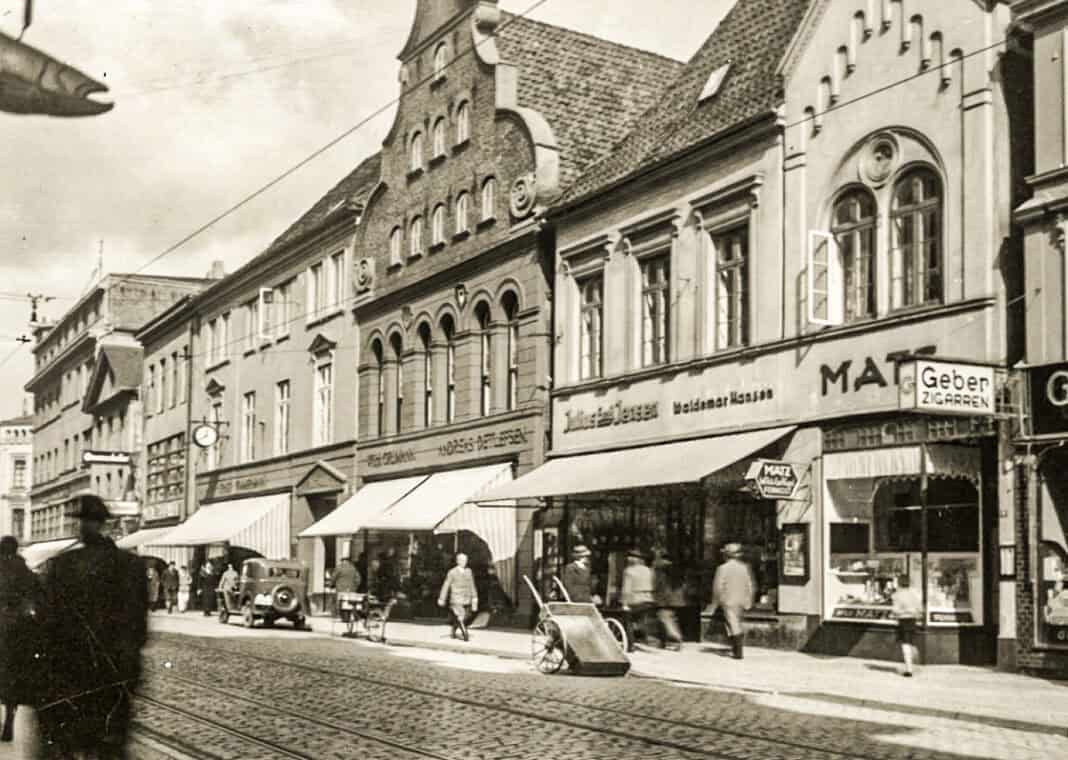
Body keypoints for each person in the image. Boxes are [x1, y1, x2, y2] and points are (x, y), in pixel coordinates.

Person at [36, 494, 148, 759]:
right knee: (111, 741)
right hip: (116, 670)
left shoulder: (62, 565)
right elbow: (139, 626)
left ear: (81, 525)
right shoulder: (131, 565)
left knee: (66, 741)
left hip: (72, 672)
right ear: (104, 524)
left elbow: (47, 623)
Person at [0, 535, 42, 743]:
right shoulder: (25, 571)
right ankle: (9, 717)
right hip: (19, 628)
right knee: (14, 672)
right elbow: (39, 595)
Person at [711, 543, 754, 660]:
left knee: (733, 624)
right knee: (736, 622)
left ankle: (738, 651)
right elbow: (749, 585)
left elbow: (718, 587)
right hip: (741, 599)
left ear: (726, 555)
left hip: (728, 600)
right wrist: (748, 599)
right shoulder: (744, 567)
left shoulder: (722, 568)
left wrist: (717, 600)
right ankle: (736, 648)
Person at [437, 552, 478, 641]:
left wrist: (475, 597)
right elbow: (446, 585)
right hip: (456, 598)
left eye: (466, 560)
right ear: (458, 561)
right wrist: (442, 598)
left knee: (466, 616)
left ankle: (453, 630)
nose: (464, 562)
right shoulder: (452, 572)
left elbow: (472, 584)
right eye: (462, 560)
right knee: (460, 616)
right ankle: (465, 635)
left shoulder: (469, 571)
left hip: (467, 598)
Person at [621, 550, 655, 652]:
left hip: (635, 600)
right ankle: (647, 638)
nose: (628, 559)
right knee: (642, 619)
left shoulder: (629, 571)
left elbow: (626, 589)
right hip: (648, 600)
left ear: (635, 559)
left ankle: (630, 645)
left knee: (627, 621)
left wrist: (625, 604)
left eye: (630, 557)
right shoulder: (648, 570)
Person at [892, 574, 923, 677]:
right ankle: (913, 664)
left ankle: (909, 669)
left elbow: (895, 610)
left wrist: (902, 611)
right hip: (913, 620)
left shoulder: (897, 595)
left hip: (903, 620)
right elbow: (920, 609)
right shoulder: (915, 593)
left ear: (899, 582)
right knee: (911, 642)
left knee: (905, 644)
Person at [653, 552, 684, 651]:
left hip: (665, 599)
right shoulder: (674, 569)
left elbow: (658, 584)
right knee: (670, 618)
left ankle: (676, 640)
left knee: (665, 619)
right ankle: (665, 641)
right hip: (674, 599)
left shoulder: (660, 569)